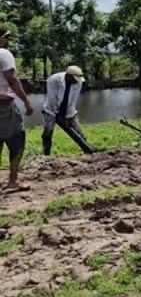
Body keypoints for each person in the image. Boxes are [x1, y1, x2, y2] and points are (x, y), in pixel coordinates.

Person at [0, 30, 34, 192]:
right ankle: (13, 180)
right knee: (17, 138)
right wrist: (26, 101)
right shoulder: (4, 53)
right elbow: (12, 79)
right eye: (6, 38)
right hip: (3, 106)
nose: (8, 41)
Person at [42, 65, 93, 155]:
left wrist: (66, 117)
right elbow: (52, 100)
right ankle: (45, 156)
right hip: (51, 110)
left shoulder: (78, 82)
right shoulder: (53, 80)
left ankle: (88, 150)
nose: (76, 82)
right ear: (68, 76)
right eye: (74, 79)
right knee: (48, 133)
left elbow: (73, 100)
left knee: (78, 132)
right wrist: (59, 117)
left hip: (69, 110)